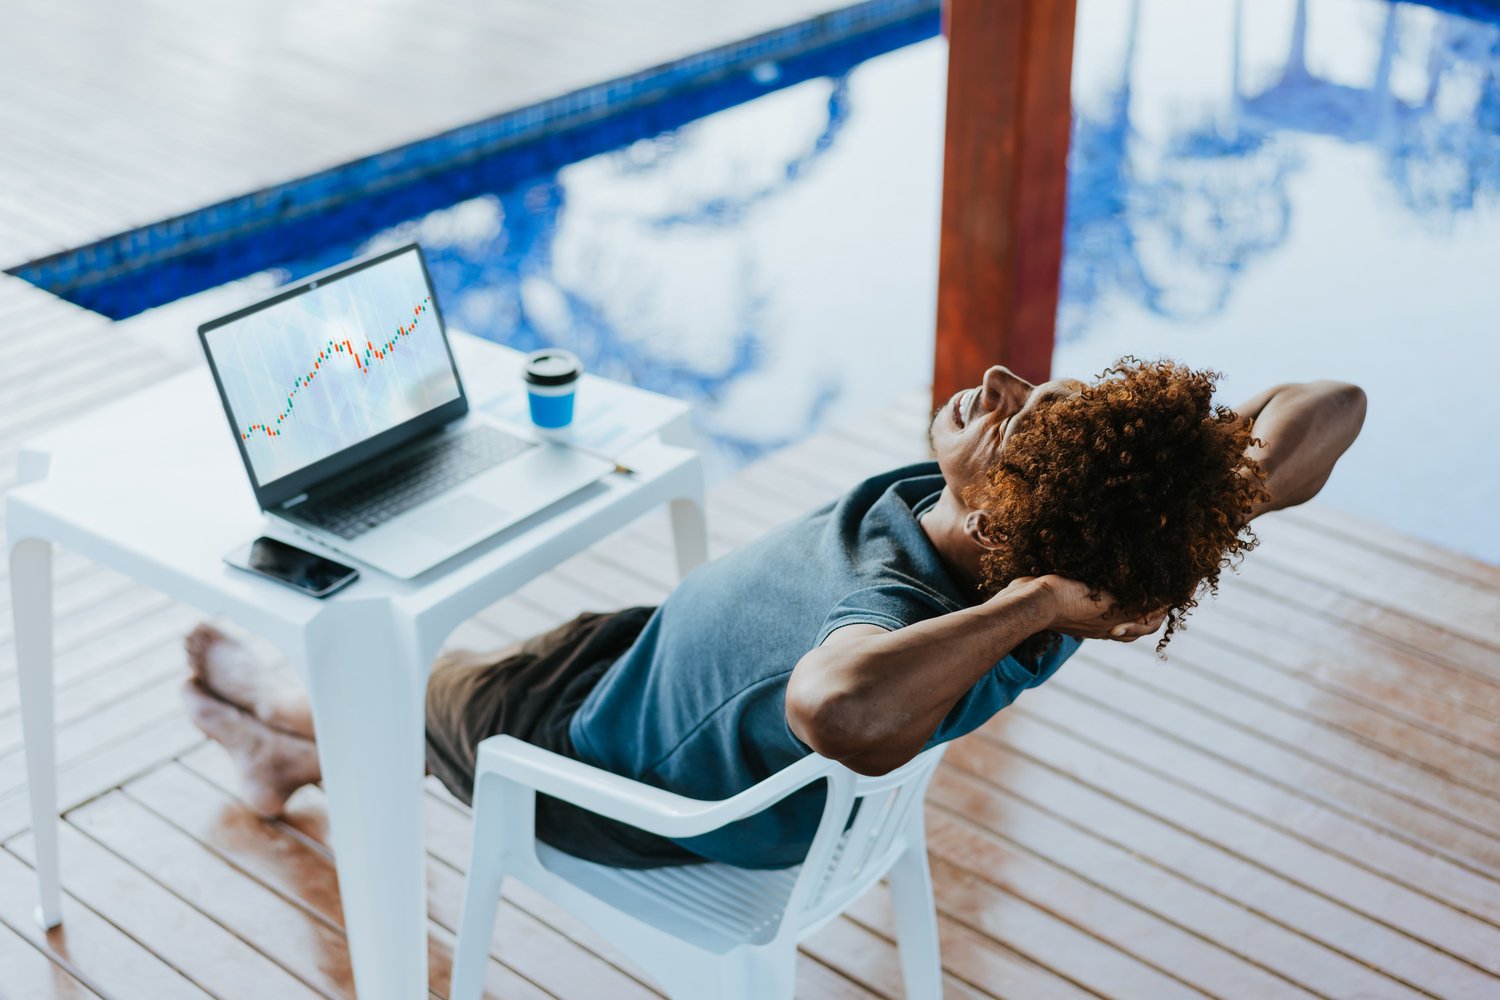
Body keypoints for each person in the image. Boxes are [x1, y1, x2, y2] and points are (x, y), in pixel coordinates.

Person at [180, 357, 1366, 869]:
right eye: (1044, 394)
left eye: (1010, 426)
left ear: (1010, 533)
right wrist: (1224, 481)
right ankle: (280, 760)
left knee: (402, 683)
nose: (1002, 385)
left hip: (602, 762)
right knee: (491, 657)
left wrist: (1038, 592)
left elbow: (836, 702)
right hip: (647, 664)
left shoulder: (910, 602)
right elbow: (1333, 405)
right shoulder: (1107, 539)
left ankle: (279, 719)